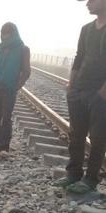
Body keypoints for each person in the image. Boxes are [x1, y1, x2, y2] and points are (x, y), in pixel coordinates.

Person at [55, 0, 106, 194]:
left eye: (92, 0)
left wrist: (103, 91)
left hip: (100, 94)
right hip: (79, 89)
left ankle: (90, 179)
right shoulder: (86, 29)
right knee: (76, 135)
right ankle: (73, 174)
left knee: (98, 137)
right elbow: (79, 57)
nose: (87, 4)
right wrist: (71, 84)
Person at [0, 22, 30, 156]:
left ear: (14, 33)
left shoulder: (23, 49)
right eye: (3, 33)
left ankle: (4, 147)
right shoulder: (1, 48)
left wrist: (15, 86)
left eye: (7, 33)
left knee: (6, 117)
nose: (4, 36)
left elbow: (26, 72)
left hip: (9, 90)